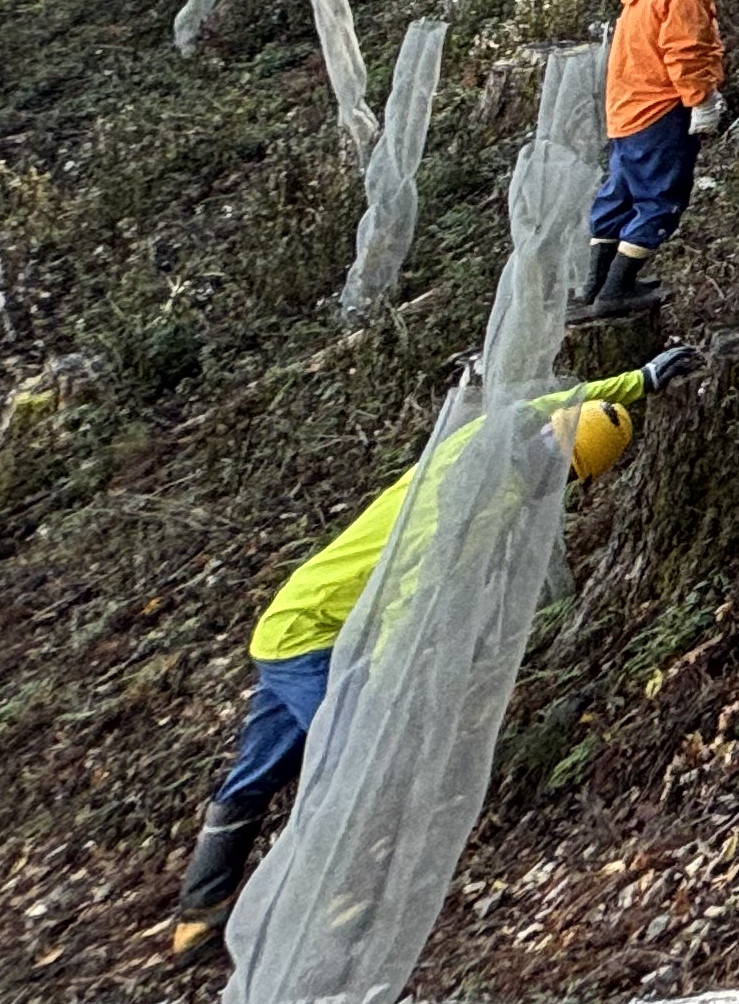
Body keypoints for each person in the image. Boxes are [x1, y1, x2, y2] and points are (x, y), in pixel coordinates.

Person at [165, 344, 695, 962]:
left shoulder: (478, 443)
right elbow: (403, 603)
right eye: (562, 473)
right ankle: (330, 911)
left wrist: (640, 380)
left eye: (568, 479)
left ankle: (196, 921)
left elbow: (547, 403)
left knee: (258, 774)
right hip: (316, 637)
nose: (554, 484)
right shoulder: (467, 509)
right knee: (360, 763)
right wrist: (389, 689)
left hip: (298, 614)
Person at [579, 0, 728, 318]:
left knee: (620, 195)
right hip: (661, 110)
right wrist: (701, 100)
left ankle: (596, 286)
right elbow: (687, 52)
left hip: (627, 110)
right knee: (662, 199)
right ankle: (616, 291)